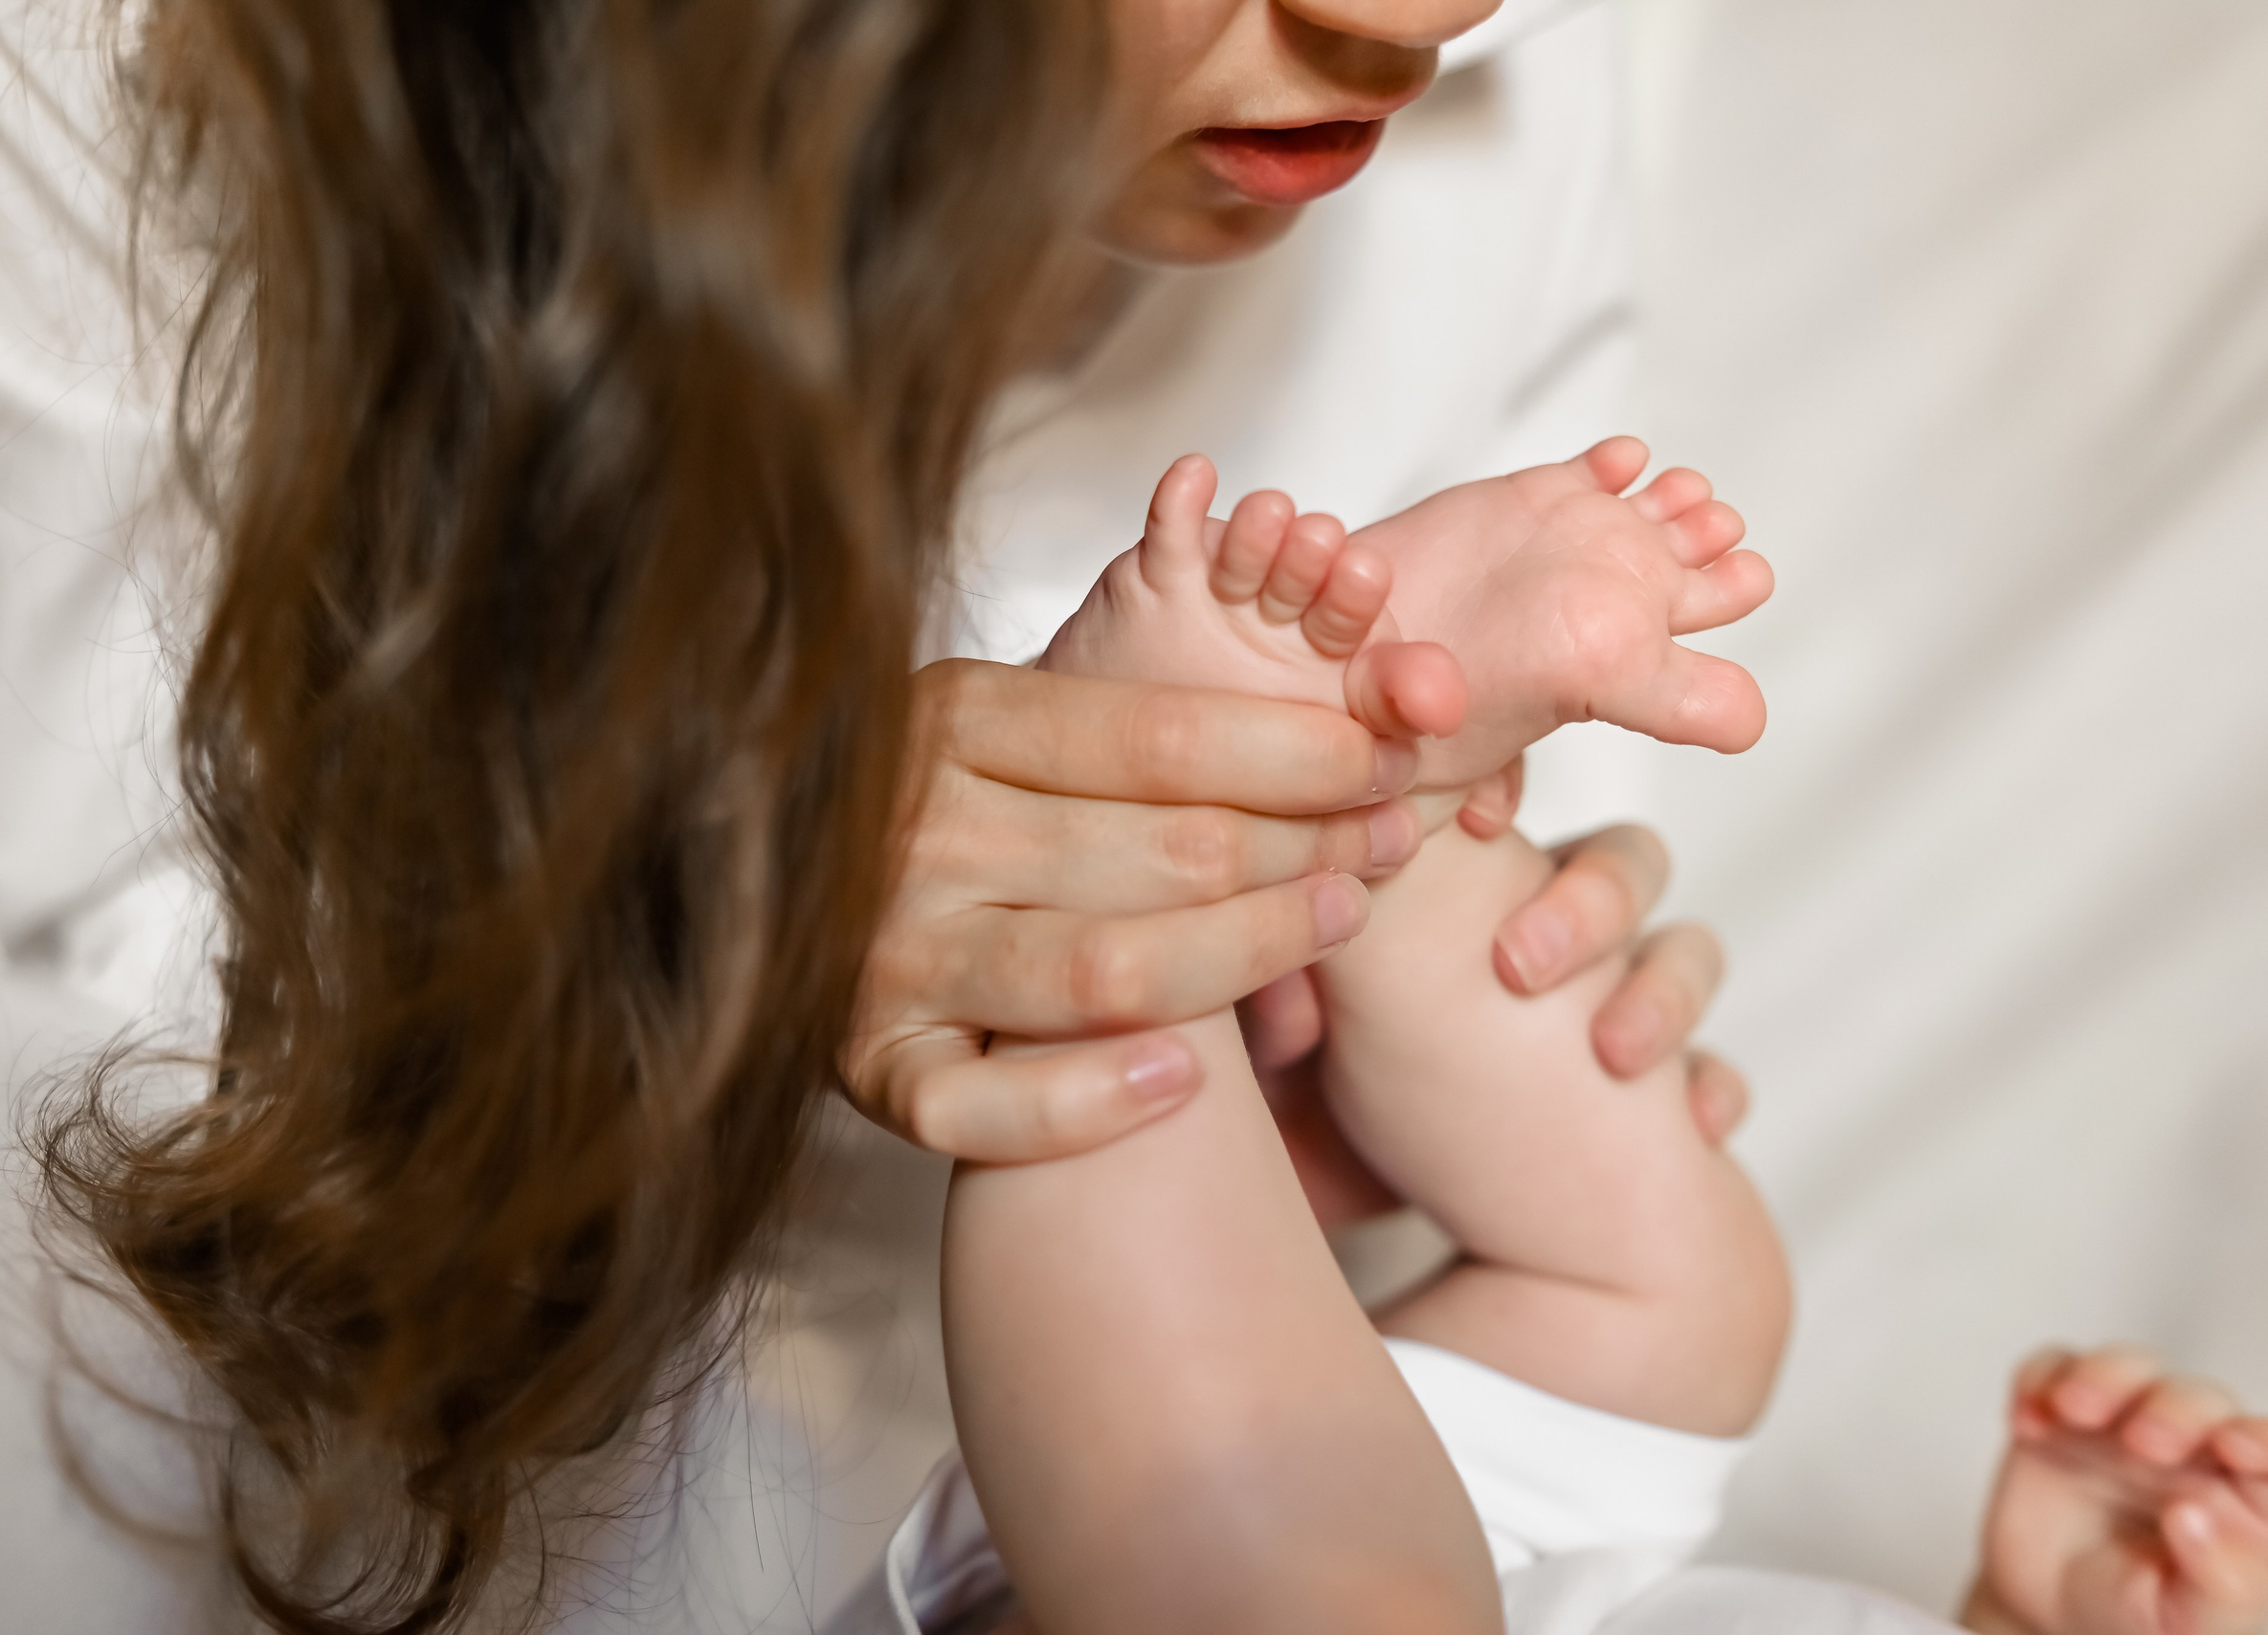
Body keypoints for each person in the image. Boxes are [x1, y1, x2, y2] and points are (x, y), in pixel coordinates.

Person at [0, 0, 1741, 1631]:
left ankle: (1234, 807)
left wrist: (1468, 910)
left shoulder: (1504, 77)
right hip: (548, 1226)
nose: (1432, 19)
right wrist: (733, 892)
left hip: (1300, 1295)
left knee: (1680, 1292)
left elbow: (1503, 880)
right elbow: (162, 919)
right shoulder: (53, 56)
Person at [885, 449, 2268, 1635]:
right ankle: (1344, 810)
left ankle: (1145, 869)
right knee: (1693, 1299)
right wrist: (2041, 1606)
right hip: (1542, 1576)